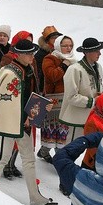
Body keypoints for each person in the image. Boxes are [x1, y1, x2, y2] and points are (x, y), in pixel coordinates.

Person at [0, 39, 58, 205]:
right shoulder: (9, 72)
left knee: (29, 160)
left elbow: (29, 96)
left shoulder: (28, 70)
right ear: (18, 54)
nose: (31, 56)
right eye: (28, 54)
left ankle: (35, 197)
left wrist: (42, 104)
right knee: (3, 157)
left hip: (25, 123)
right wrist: (24, 117)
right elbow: (7, 101)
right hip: (10, 123)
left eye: (32, 53)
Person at [59, 37, 103, 144]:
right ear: (87, 52)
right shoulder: (74, 69)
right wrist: (93, 101)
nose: (100, 53)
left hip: (93, 117)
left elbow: (99, 86)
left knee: (91, 148)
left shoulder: (98, 67)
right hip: (76, 118)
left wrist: (102, 95)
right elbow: (71, 97)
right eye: (96, 51)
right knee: (72, 148)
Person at [39, 35, 78, 164]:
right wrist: (64, 65)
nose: (68, 48)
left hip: (68, 100)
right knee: (52, 130)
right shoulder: (50, 58)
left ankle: (58, 157)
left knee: (63, 131)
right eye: (65, 45)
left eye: (70, 46)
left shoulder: (74, 60)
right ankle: (49, 153)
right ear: (57, 46)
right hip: (53, 101)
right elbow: (52, 76)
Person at [35, 25, 63, 96]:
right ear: (47, 40)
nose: (56, 39)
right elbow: (38, 74)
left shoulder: (61, 51)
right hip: (47, 91)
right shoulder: (41, 54)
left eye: (57, 37)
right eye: (53, 38)